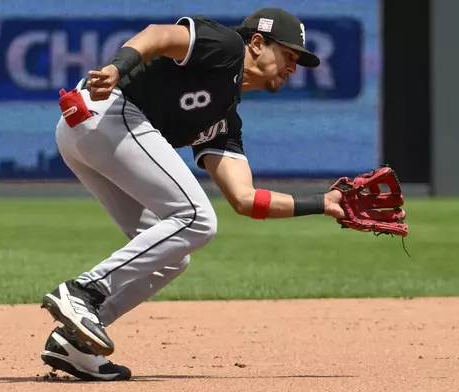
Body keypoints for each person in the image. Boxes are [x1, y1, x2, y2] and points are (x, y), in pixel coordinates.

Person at [39, 7, 347, 381]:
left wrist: (323, 203)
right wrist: (119, 67)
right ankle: (83, 291)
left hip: (86, 132)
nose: (293, 67)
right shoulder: (228, 45)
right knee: (197, 219)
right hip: (108, 110)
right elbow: (158, 35)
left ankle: (75, 343)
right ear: (257, 43)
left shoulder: (226, 118)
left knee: (172, 256)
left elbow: (244, 198)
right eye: (288, 54)